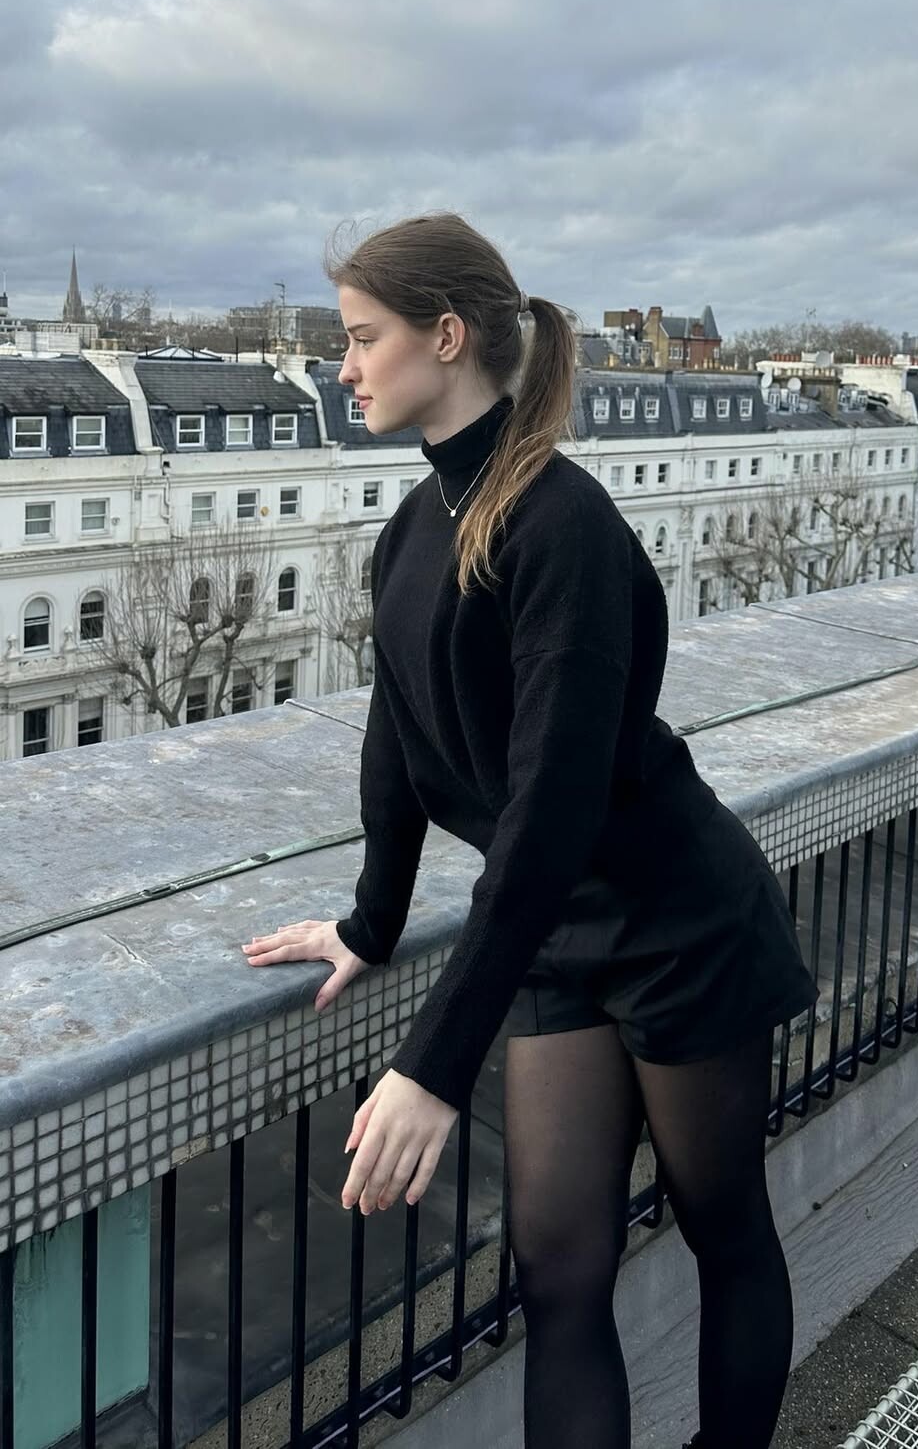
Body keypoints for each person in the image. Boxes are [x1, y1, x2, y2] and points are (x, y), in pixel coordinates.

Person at [242, 210, 819, 1449]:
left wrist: (433, 1065)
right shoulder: (414, 530)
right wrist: (368, 923)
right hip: (555, 937)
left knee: (725, 1229)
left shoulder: (564, 527)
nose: (343, 367)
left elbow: (550, 813)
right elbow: (397, 743)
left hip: (675, 921)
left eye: (362, 338)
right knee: (558, 1275)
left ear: (446, 336)